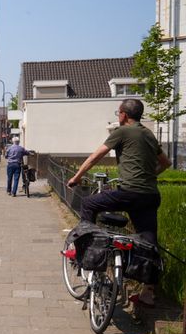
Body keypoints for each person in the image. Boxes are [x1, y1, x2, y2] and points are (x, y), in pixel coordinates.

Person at [67, 98, 171, 306]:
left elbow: (96, 156)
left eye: (118, 113)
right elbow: (166, 163)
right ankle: (148, 293)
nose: (118, 116)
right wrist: (148, 176)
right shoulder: (148, 134)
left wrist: (76, 178)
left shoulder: (122, 132)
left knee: (89, 204)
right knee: (149, 241)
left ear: (123, 114)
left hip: (129, 193)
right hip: (150, 195)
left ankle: (84, 251)